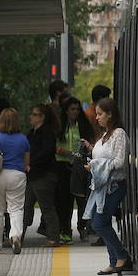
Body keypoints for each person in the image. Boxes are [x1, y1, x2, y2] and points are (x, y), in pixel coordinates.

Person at [82, 97, 132, 276]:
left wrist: (95, 165)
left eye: (100, 114)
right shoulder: (104, 135)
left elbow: (119, 162)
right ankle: (114, 261)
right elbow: (102, 157)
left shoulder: (119, 134)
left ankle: (121, 256)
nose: (97, 118)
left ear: (110, 115)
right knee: (98, 222)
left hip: (115, 185)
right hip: (102, 186)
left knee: (99, 222)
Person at [0, 108, 31, 255]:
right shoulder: (23, 139)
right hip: (17, 175)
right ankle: (15, 235)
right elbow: (26, 163)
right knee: (16, 208)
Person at [54, 95, 95, 243]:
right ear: (66, 111)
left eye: (78, 109)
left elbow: (91, 141)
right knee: (64, 200)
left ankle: (82, 226)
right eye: (72, 109)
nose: (75, 112)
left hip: (80, 165)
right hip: (63, 165)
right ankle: (65, 230)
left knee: (82, 197)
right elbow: (53, 144)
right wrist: (60, 150)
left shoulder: (83, 125)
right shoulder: (60, 126)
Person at [27, 103, 62, 246]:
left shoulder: (47, 132)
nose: (31, 117)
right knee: (25, 206)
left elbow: (46, 152)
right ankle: (16, 235)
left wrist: (31, 163)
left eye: (34, 114)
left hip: (44, 174)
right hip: (32, 174)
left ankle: (53, 237)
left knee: (46, 206)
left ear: (42, 117)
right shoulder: (31, 132)